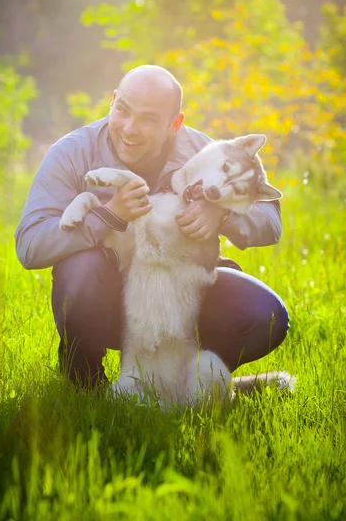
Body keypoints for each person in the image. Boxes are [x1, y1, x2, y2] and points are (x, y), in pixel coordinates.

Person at [15, 65, 289, 386]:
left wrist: (221, 213)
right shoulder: (72, 152)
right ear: (113, 100)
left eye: (148, 119)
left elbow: (271, 221)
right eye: (123, 110)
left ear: (175, 123)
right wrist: (107, 214)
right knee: (80, 269)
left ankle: (186, 382)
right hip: (106, 296)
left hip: (177, 299)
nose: (130, 128)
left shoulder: (205, 152)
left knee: (267, 315)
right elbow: (30, 246)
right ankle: (84, 380)